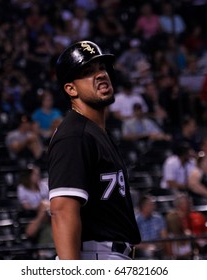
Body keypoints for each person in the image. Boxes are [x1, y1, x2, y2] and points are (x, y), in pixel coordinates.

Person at [48, 40, 141, 260]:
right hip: (95, 256)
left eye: (101, 67)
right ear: (71, 88)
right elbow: (62, 210)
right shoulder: (74, 135)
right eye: (88, 71)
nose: (100, 74)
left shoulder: (96, 133)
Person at [135, 195, 168, 259]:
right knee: (148, 254)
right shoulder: (136, 220)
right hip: (142, 249)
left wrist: (158, 245)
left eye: (153, 204)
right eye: (150, 204)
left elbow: (164, 236)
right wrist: (147, 247)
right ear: (143, 206)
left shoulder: (158, 218)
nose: (153, 206)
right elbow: (133, 242)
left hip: (157, 247)